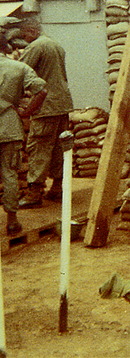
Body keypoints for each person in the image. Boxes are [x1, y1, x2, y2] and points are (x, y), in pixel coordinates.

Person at [18, 19, 74, 208]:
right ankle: (57, 188)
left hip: (46, 106)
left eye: (24, 35)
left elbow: (20, 71)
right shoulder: (55, 44)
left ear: (32, 30)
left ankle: (34, 194)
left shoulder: (37, 46)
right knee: (59, 149)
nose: (24, 40)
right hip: (62, 103)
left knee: (39, 148)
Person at [0, 33, 47, 234]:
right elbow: (42, 90)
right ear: (6, 47)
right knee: (9, 173)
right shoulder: (19, 67)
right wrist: (27, 111)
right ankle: (11, 221)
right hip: (9, 125)